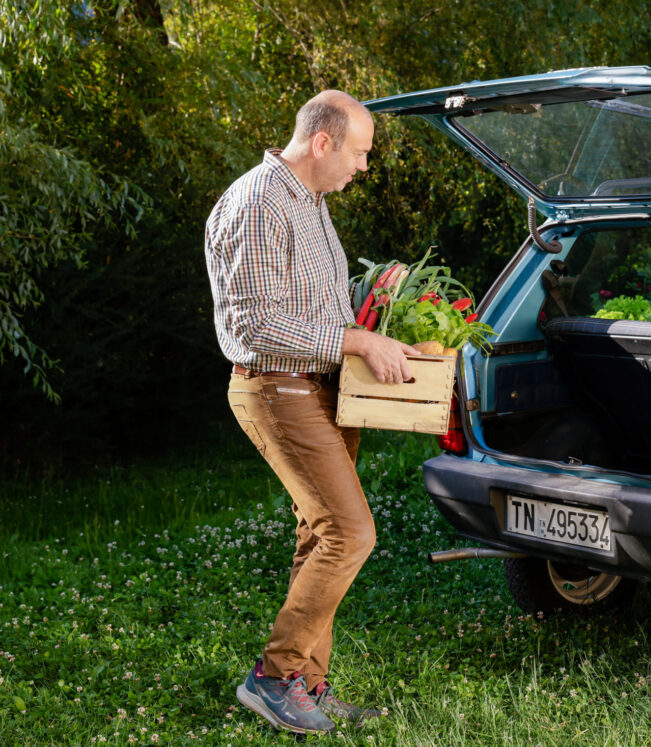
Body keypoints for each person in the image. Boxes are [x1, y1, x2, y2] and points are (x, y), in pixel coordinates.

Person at [204, 90, 418, 734]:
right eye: (358, 152)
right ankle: (272, 678)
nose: (362, 166)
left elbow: (308, 309)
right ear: (322, 142)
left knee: (319, 535)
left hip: (322, 386)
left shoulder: (312, 203)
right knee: (351, 534)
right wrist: (357, 339)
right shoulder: (259, 200)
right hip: (276, 387)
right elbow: (256, 323)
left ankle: (307, 684)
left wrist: (369, 303)